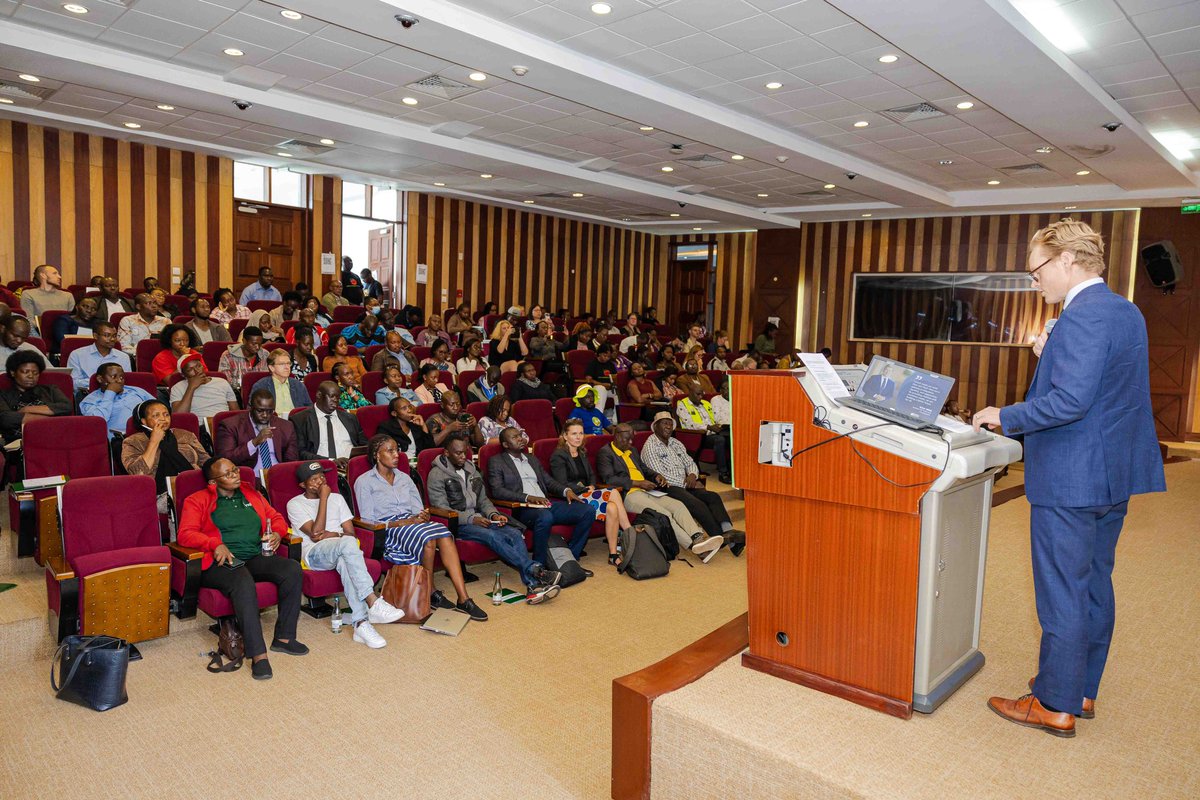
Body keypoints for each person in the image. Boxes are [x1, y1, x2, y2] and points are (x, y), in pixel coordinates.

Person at [971, 219, 1165, 737]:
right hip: (1112, 474)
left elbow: (1071, 402)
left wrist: (1003, 415)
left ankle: (1053, 702)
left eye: (1036, 271)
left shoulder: (1080, 318)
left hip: (1072, 478)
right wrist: (1049, 353)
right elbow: (1105, 387)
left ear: (1065, 261)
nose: (1034, 282)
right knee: (1094, 585)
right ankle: (1081, 688)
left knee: (1062, 591)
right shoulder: (1124, 311)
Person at [177, 457, 306, 681]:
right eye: (227, 474)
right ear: (212, 481)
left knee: (291, 569)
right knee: (242, 579)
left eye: (235, 470)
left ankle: (284, 638)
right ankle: (258, 655)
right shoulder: (197, 500)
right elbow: (185, 534)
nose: (235, 475)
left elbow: (275, 517)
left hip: (254, 555)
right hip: (219, 562)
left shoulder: (251, 493)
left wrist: (277, 532)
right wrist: (214, 544)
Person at [354, 435, 487, 620]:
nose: (396, 455)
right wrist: (400, 523)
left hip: (414, 524)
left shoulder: (405, 478)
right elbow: (369, 521)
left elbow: (418, 509)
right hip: (389, 530)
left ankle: (463, 598)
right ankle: (430, 591)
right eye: (390, 451)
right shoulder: (365, 481)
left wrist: (421, 515)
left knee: (445, 534)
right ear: (377, 455)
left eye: (397, 450)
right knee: (429, 539)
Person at [428, 439, 562, 604]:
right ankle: (536, 572)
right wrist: (472, 519)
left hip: (481, 518)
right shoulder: (436, 475)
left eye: (465, 452)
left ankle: (533, 586)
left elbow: (484, 500)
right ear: (446, 453)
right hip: (458, 523)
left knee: (513, 533)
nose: (463, 456)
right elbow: (441, 508)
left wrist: (493, 514)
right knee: (492, 535)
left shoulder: (472, 469)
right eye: (458, 453)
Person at [287, 461, 403, 649]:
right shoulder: (295, 504)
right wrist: (324, 499)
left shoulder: (338, 499)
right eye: (314, 480)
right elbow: (316, 535)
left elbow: (350, 533)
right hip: (314, 555)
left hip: (341, 549)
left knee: (345, 555)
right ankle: (372, 601)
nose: (321, 482)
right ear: (303, 485)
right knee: (347, 545)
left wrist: (335, 534)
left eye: (322, 477)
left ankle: (360, 624)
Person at [596, 423, 725, 562]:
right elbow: (609, 478)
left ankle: (697, 536)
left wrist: (656, 475)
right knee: (665, 514)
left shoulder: (631, 450)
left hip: (647, 490)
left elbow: (644, 469)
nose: (631, 442)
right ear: (616, 435)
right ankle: (695, 547)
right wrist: (638, 483)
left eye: (632, 439)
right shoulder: (606, 453)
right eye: (627, 439)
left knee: (678, 506)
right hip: (629, 495)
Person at [486, 426, 596, 568]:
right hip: (523, 508)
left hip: (545, 503)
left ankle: (570, 559)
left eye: (520, 435)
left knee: (587, 510)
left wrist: (566, 491)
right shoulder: (496, 461)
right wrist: (527, 498)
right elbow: (497, 491)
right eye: (514, 437)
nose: (520, 438)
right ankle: (540, 565)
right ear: (505, 444)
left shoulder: (532, 459)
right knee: (545, 517)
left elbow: (548, 481)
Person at [641, 412, 742, 555]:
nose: (668, 427)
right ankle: (723, 538)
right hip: (666, 487)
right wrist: (688, 483)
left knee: (712, 496)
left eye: (670, 424)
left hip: (686, 484)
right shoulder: (650, 446)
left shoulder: (676, 443)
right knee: (696, 503)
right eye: (664, 423)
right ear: (655, 426)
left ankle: (728, 533)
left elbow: (690, 462)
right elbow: (660, 474)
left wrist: (693, 475)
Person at [551, 419, 635, 567]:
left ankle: (613, 554)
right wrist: (584, 489)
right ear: (565, 436)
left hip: (588, 494)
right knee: (614, 492)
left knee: (612, 508)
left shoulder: (582, 452)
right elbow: (562, 483)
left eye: (581, 433)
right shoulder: (558, 456)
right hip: (573, 498)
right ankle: (630, 533)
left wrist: (591, 485)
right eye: (574, 434)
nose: (578, 437)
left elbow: (591, 476)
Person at [121, 399, 207, 525]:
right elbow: (139, 474)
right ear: (143, 421)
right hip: (158, 494)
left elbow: (207, 462)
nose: (163, 419)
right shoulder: (132, 442)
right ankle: (183, 541)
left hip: (193, 485)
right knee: (183, 500)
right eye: (156, 415)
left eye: (166, 414)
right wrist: (154, 441)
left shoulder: (185, 435)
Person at [215, 389, 299, 477]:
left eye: (270, 411)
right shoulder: (231, 425)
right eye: (260, 411)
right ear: (250, 407)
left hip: (278, 476)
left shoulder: (285, 426)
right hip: (249, 478)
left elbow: (292, 461)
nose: (265, 415)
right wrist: (254, 443)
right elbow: (225, 459)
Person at [0, 351, 71, 443]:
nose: (31, 376)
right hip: (19, 443)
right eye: (25, 372)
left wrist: (27, 409)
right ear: (13, 373)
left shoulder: (50, 390)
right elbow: (6, 419)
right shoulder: (3, 395)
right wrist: (52, 420)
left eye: (35, 373)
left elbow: (66, 407)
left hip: (54, 439)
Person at [293, 381, 367, 465]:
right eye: (332, 396)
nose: (335, 400)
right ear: (319, 395)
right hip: (321, 468)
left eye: (338, 397)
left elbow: (364, 445)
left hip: (351, 466)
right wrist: (331, 461)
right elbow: (301, 453)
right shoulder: (300, 419)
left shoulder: (350, 418)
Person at [80, 363, 155, 440]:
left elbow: (158, 408)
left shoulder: (136, 391)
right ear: (100, 379)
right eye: (113, 377)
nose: (119, 381)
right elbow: (96, 423)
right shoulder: (90, 400)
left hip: (149, 434)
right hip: (120, 439)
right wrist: (110, 393)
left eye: (122, 377)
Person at [676, 382, 731, 483]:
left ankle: (733, 471)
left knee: (732, 436)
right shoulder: (682, 404)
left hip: (713, 432)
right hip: (697, 436)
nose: (700, 397)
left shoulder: (706, 403)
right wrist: (709, 427)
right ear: (690, 392)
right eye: (698, 394)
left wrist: (719, 426)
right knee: (720, 440)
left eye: (702, 394)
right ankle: (723, 473)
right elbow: (690, 424)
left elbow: (715, 418)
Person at [66, 321, 131, 393]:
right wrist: (99, 382)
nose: (112, 339)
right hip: (87, 394)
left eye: (114, 336)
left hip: (117, 395)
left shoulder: (123, 357)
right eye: (107, 335)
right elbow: (73, 383)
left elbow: (127, 382)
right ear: (95, 336)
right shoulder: (77, 355)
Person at [170, 352, 238, 418]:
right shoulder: (177, 388)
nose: (197, 371)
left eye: (198, 366)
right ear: (183, 375)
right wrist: (191, 387)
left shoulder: (222, 382)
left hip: (223, 425)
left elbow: (235, 413)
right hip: (197, 427)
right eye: (190, 369)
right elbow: (179, 417)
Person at [250, 348, 310, 415]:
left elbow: (309, 409)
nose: (287, 367)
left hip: (297, 422)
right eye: (282, 364)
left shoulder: (298, 385)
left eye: (288, 363)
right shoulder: (261, 386)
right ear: (271, 368)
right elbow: (252, 412)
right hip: (272, 422)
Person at [20, 264, 75, 334]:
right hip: (39, 333)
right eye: (55, 273)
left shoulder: (68, 295)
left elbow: (72, 319)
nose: (59, 277)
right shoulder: (28, 294)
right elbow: (29, 320)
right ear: (43, 275)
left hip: (63, 333)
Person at [218, 327, 266, 393]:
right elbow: (225, 381)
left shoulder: (265, 355)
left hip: (259, 393)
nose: (257, 347)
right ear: (244, 341)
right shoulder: (228, 355)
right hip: (235, 393)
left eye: (260, 344)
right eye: (254, 344)